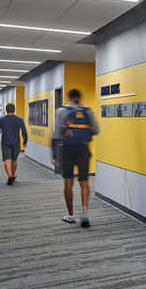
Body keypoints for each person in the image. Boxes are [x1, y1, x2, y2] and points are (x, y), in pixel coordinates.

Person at [52, 89, 99, 228]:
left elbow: (56, 134)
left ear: (69, 98)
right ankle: (84, 213)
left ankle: (71, 215)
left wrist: (54, 155)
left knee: (68, 182)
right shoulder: (87, 111)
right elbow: (95, 130)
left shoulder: (61, 111)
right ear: (79, 97)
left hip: (67, 150)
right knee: (84, 182)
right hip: (83, 149)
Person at [0, 102, 27, 186]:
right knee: (14, 160)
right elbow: (24, 131)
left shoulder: (1, 119)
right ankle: (12, 174)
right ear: (14, 110)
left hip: (5, 142)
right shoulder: (19, 120)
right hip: (16, 142)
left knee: (7, 159)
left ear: (6, 110)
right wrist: (25, 141)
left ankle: (10, 176)